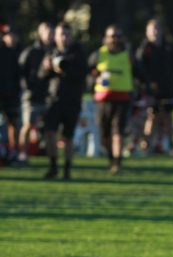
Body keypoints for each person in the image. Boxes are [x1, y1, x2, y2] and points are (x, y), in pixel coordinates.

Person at [38, 22, 87, 180]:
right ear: (56, 36)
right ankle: (53, 166)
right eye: (61, 34)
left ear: (71, 36)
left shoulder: (78, 52)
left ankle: (67, 169)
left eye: (67, 34)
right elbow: (40, 76)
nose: (64, 38)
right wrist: (47, 68)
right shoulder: (51, 52)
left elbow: (82, 75)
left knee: (68, 136)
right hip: (53, 99)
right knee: (50, 132)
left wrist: (65, 69)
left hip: (72, 100)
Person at [88, 25, 138, 174]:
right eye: (112, 36)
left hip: (122, 97)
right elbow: (89, 73)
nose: (115, 39)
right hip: (103, 99)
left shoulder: (128, 55)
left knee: (118, 131)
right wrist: (95, 80)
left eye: (117, 36)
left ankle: (117, 162)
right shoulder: (98, 54)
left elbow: (139, 73)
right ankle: (111, 158)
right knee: (104, 134)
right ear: (106, 38)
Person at [136, 19, 173, 155]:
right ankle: (145, 145)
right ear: (147, 32)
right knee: (151, 116)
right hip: (151, 90)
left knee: (167, 117)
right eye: (152, 29)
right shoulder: (144, 49)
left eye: (157, 28)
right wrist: (147, 86)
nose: (155, 32)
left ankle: (169, 145)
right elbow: (140, 70)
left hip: (167, 88)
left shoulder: (169, 48)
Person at [18, 22, 54, 163]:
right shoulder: (31, 52)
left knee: (50, 129)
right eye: (46, 32)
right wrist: (28, 88)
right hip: (32, 96)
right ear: (40, 33)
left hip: (49, 96)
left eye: (51, 33)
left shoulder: (55, 51)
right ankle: (22, 154)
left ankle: (51, 159)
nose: (49, 35)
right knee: (28, 125)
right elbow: (21, 72)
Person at [0, 24, 21, 161]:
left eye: (14, 35)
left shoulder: (18, 52)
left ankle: (13, 151)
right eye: (8, 35)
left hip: (13, 94)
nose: (11, 38)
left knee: (13, 123)